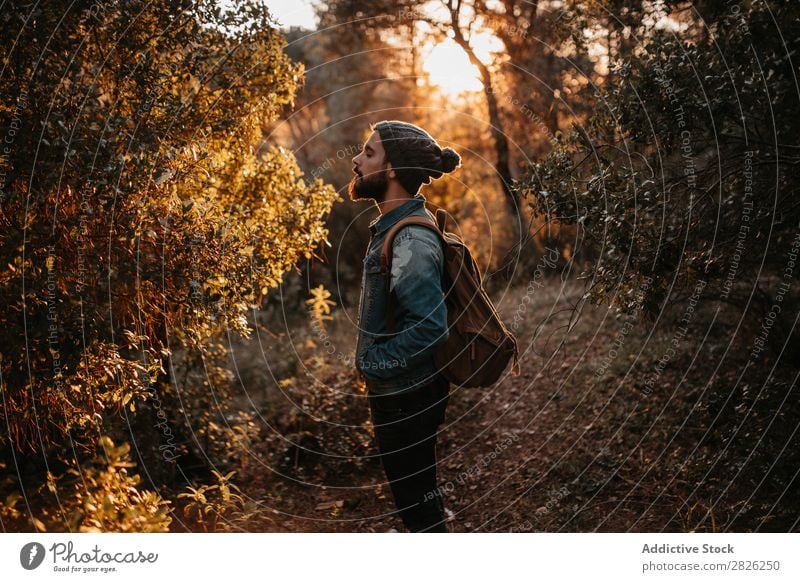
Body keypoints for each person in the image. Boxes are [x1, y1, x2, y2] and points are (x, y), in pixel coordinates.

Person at [349, 120, 461, 532]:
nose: (357, 161)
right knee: (419, 502)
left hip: (406, 397)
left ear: (392, 170)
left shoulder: (410, 239)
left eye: (369, 153)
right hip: (403, 393)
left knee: (419, 514)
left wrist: (373, 363)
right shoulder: (392, 228)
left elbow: (432, 327)